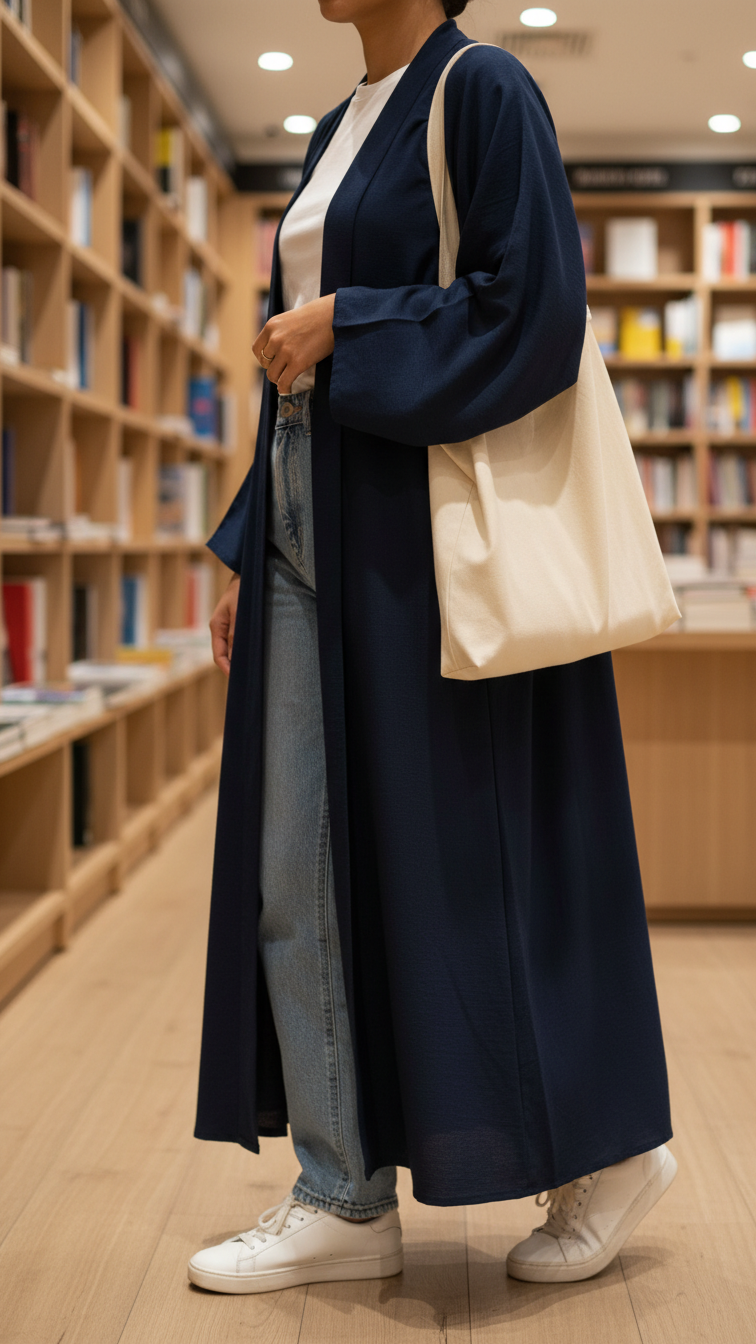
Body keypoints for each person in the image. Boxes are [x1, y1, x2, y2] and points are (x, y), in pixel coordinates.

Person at [188, 0, 676, 1296]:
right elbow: (289, 358)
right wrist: (249, 535)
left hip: (415, 551)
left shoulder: (486, 90)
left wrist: (353, 319)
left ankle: (610, 1153)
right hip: (312, 523)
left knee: (471, 860)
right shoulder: (336, 125)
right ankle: (341, 1191)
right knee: (298, 868)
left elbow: (535, 313)